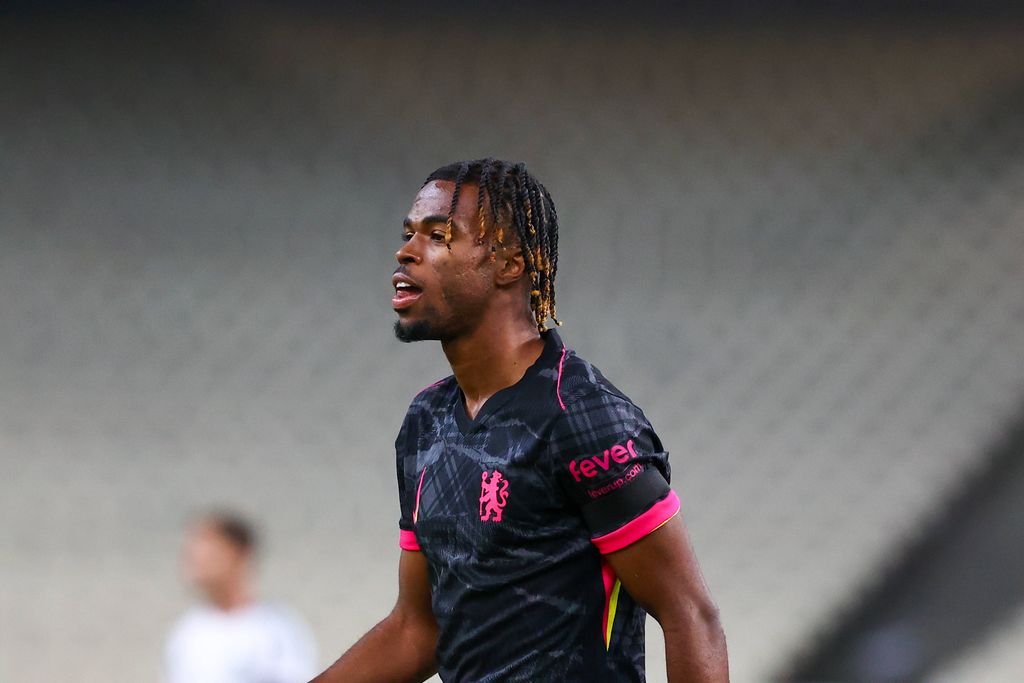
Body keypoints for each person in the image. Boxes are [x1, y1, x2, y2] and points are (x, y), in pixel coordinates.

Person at [312, 159, 728, 682]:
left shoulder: (580, 416)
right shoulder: (425, 422)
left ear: (510, 264)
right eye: (408, 234)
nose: (406, 251)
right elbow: (417, 629)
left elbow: (690, 614)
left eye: (438, 236)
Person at [166, 511, 317, 683]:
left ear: (240, 554)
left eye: (209, 550)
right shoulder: (187, 631)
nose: (197, 558)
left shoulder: (277, 628)